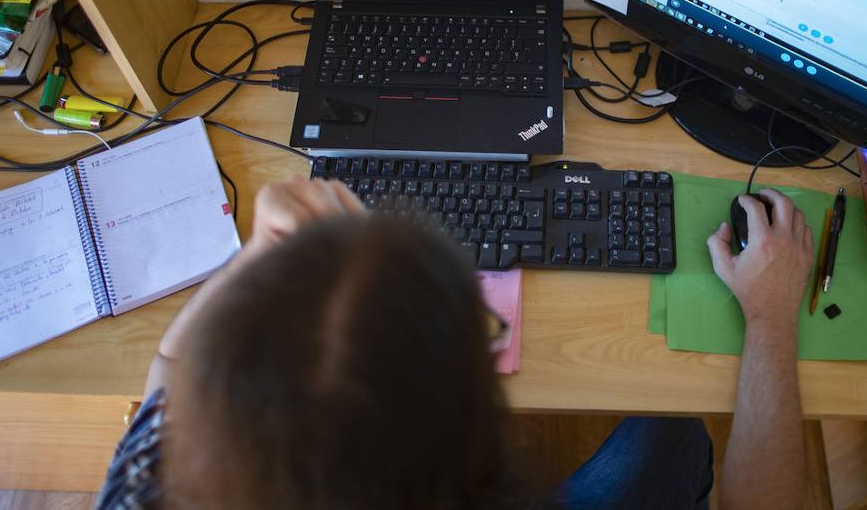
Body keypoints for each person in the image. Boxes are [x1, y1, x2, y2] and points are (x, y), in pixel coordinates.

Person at [96, 179, 812, 510]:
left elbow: (171, 369)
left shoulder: (152, 491)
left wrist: (269, 258)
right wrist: (773, 317)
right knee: (670, 433)